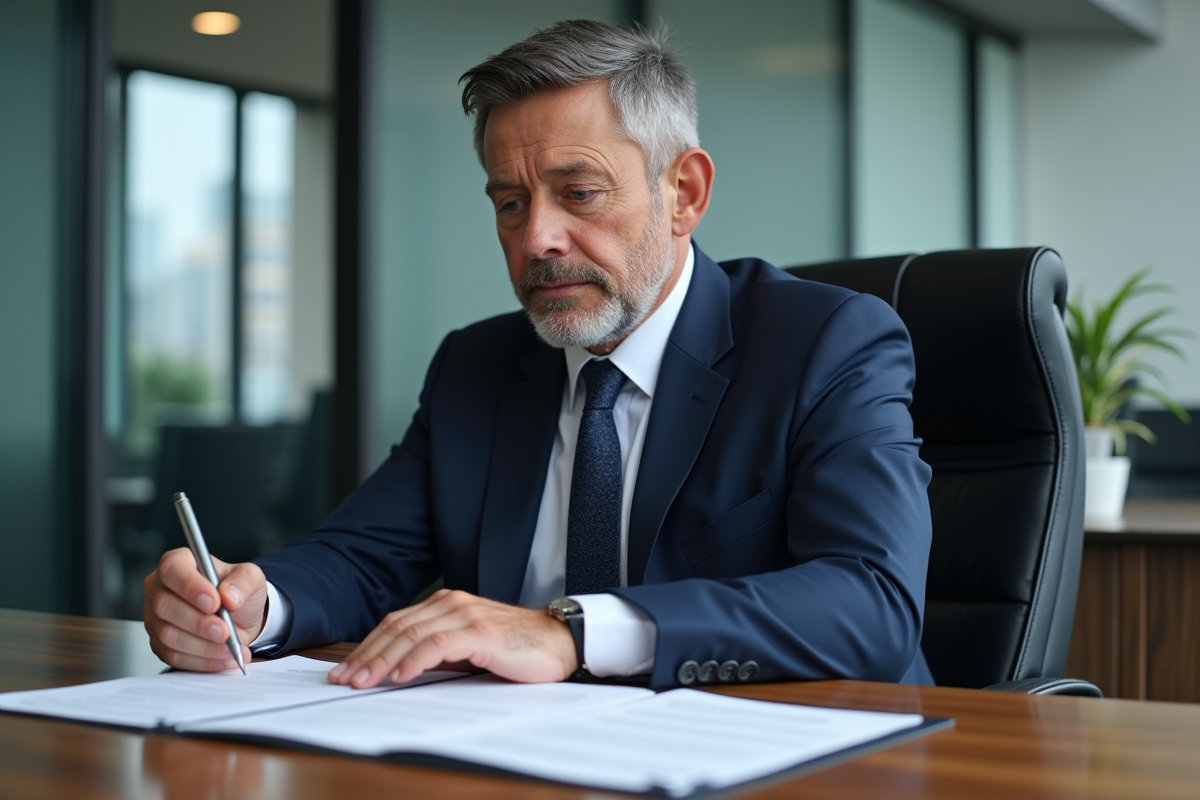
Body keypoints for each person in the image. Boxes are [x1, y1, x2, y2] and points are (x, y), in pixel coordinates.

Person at [143, 19, 934, 690]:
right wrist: (253, 603)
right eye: (511, 203)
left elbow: (869, 601)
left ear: (684, 193)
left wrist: (573, 633)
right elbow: (359, 557)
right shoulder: (476, 368)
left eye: (579, 193)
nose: (536, 240)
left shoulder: (826, 343)